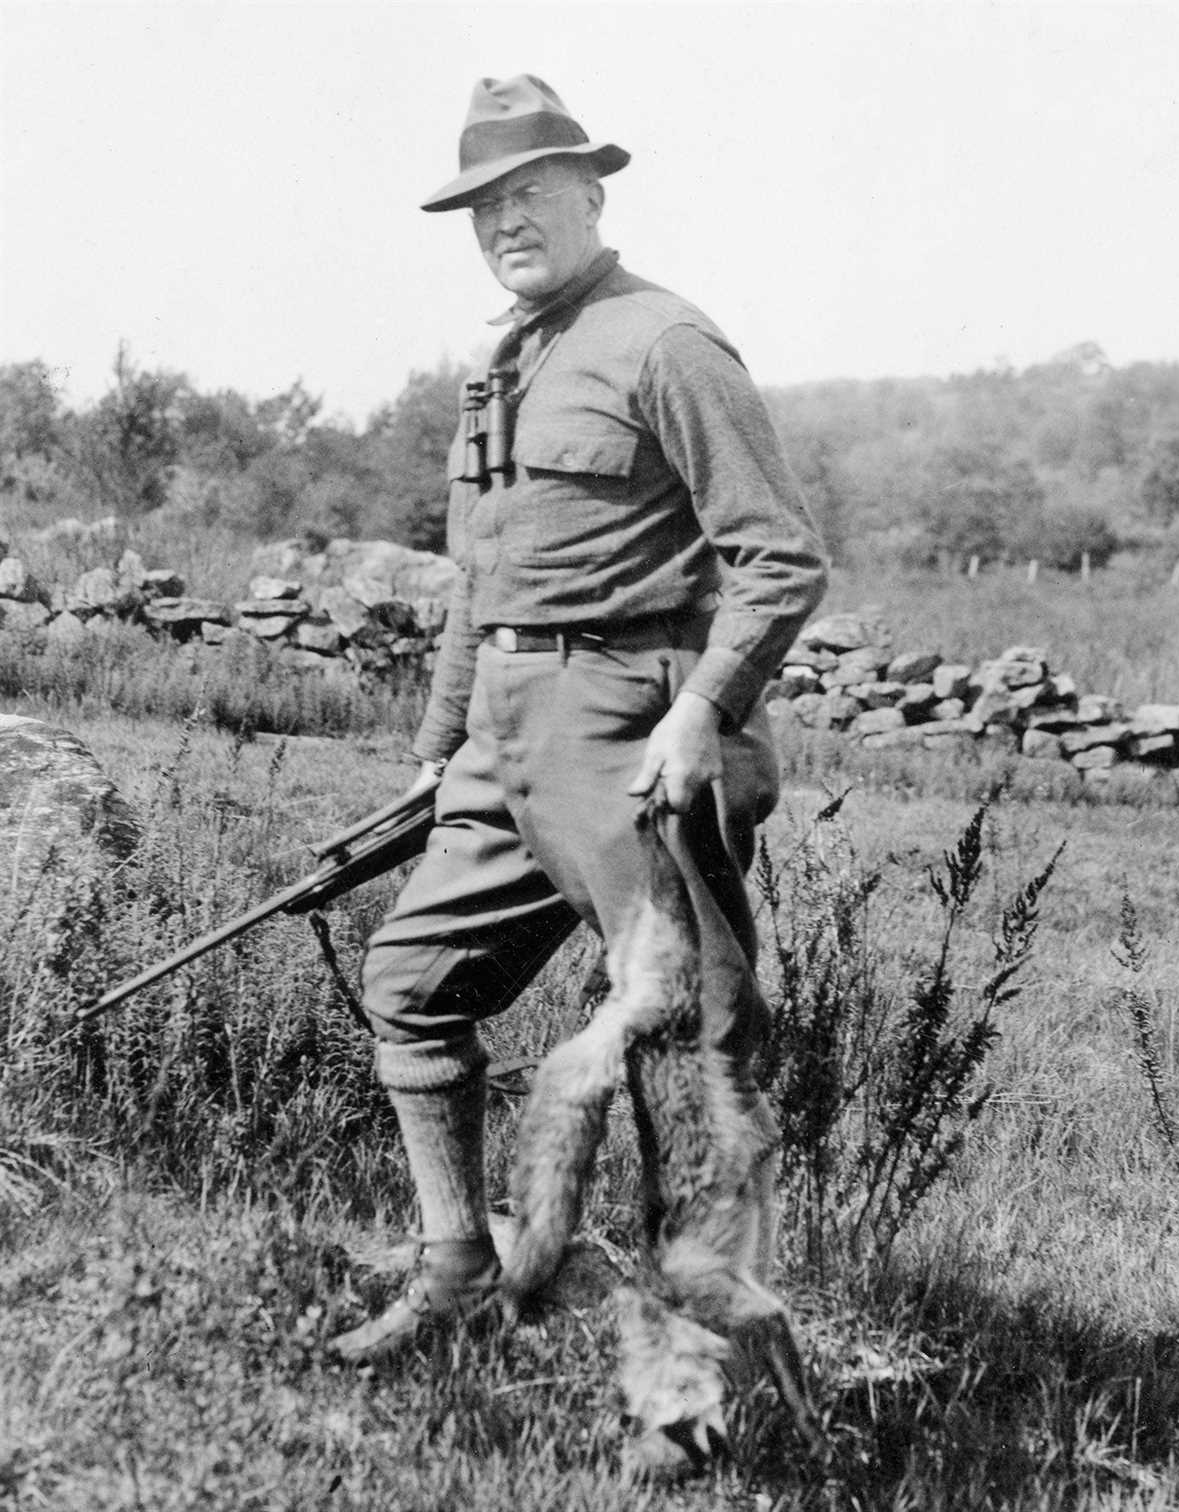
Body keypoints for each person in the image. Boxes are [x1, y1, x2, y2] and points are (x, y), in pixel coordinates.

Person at [329, 74, 828, 1361]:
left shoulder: (664, 342)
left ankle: (704, 1353)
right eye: (483, 204)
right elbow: (480, 581)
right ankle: (456, 1277)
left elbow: (779, 556)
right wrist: (440, 748)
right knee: (412, 980)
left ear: (591, 194)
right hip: (505, 729)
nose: (506, 221)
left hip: (630, 732)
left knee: (680, 1040)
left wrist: (704, 712)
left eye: (531, 193)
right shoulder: (502, 360)